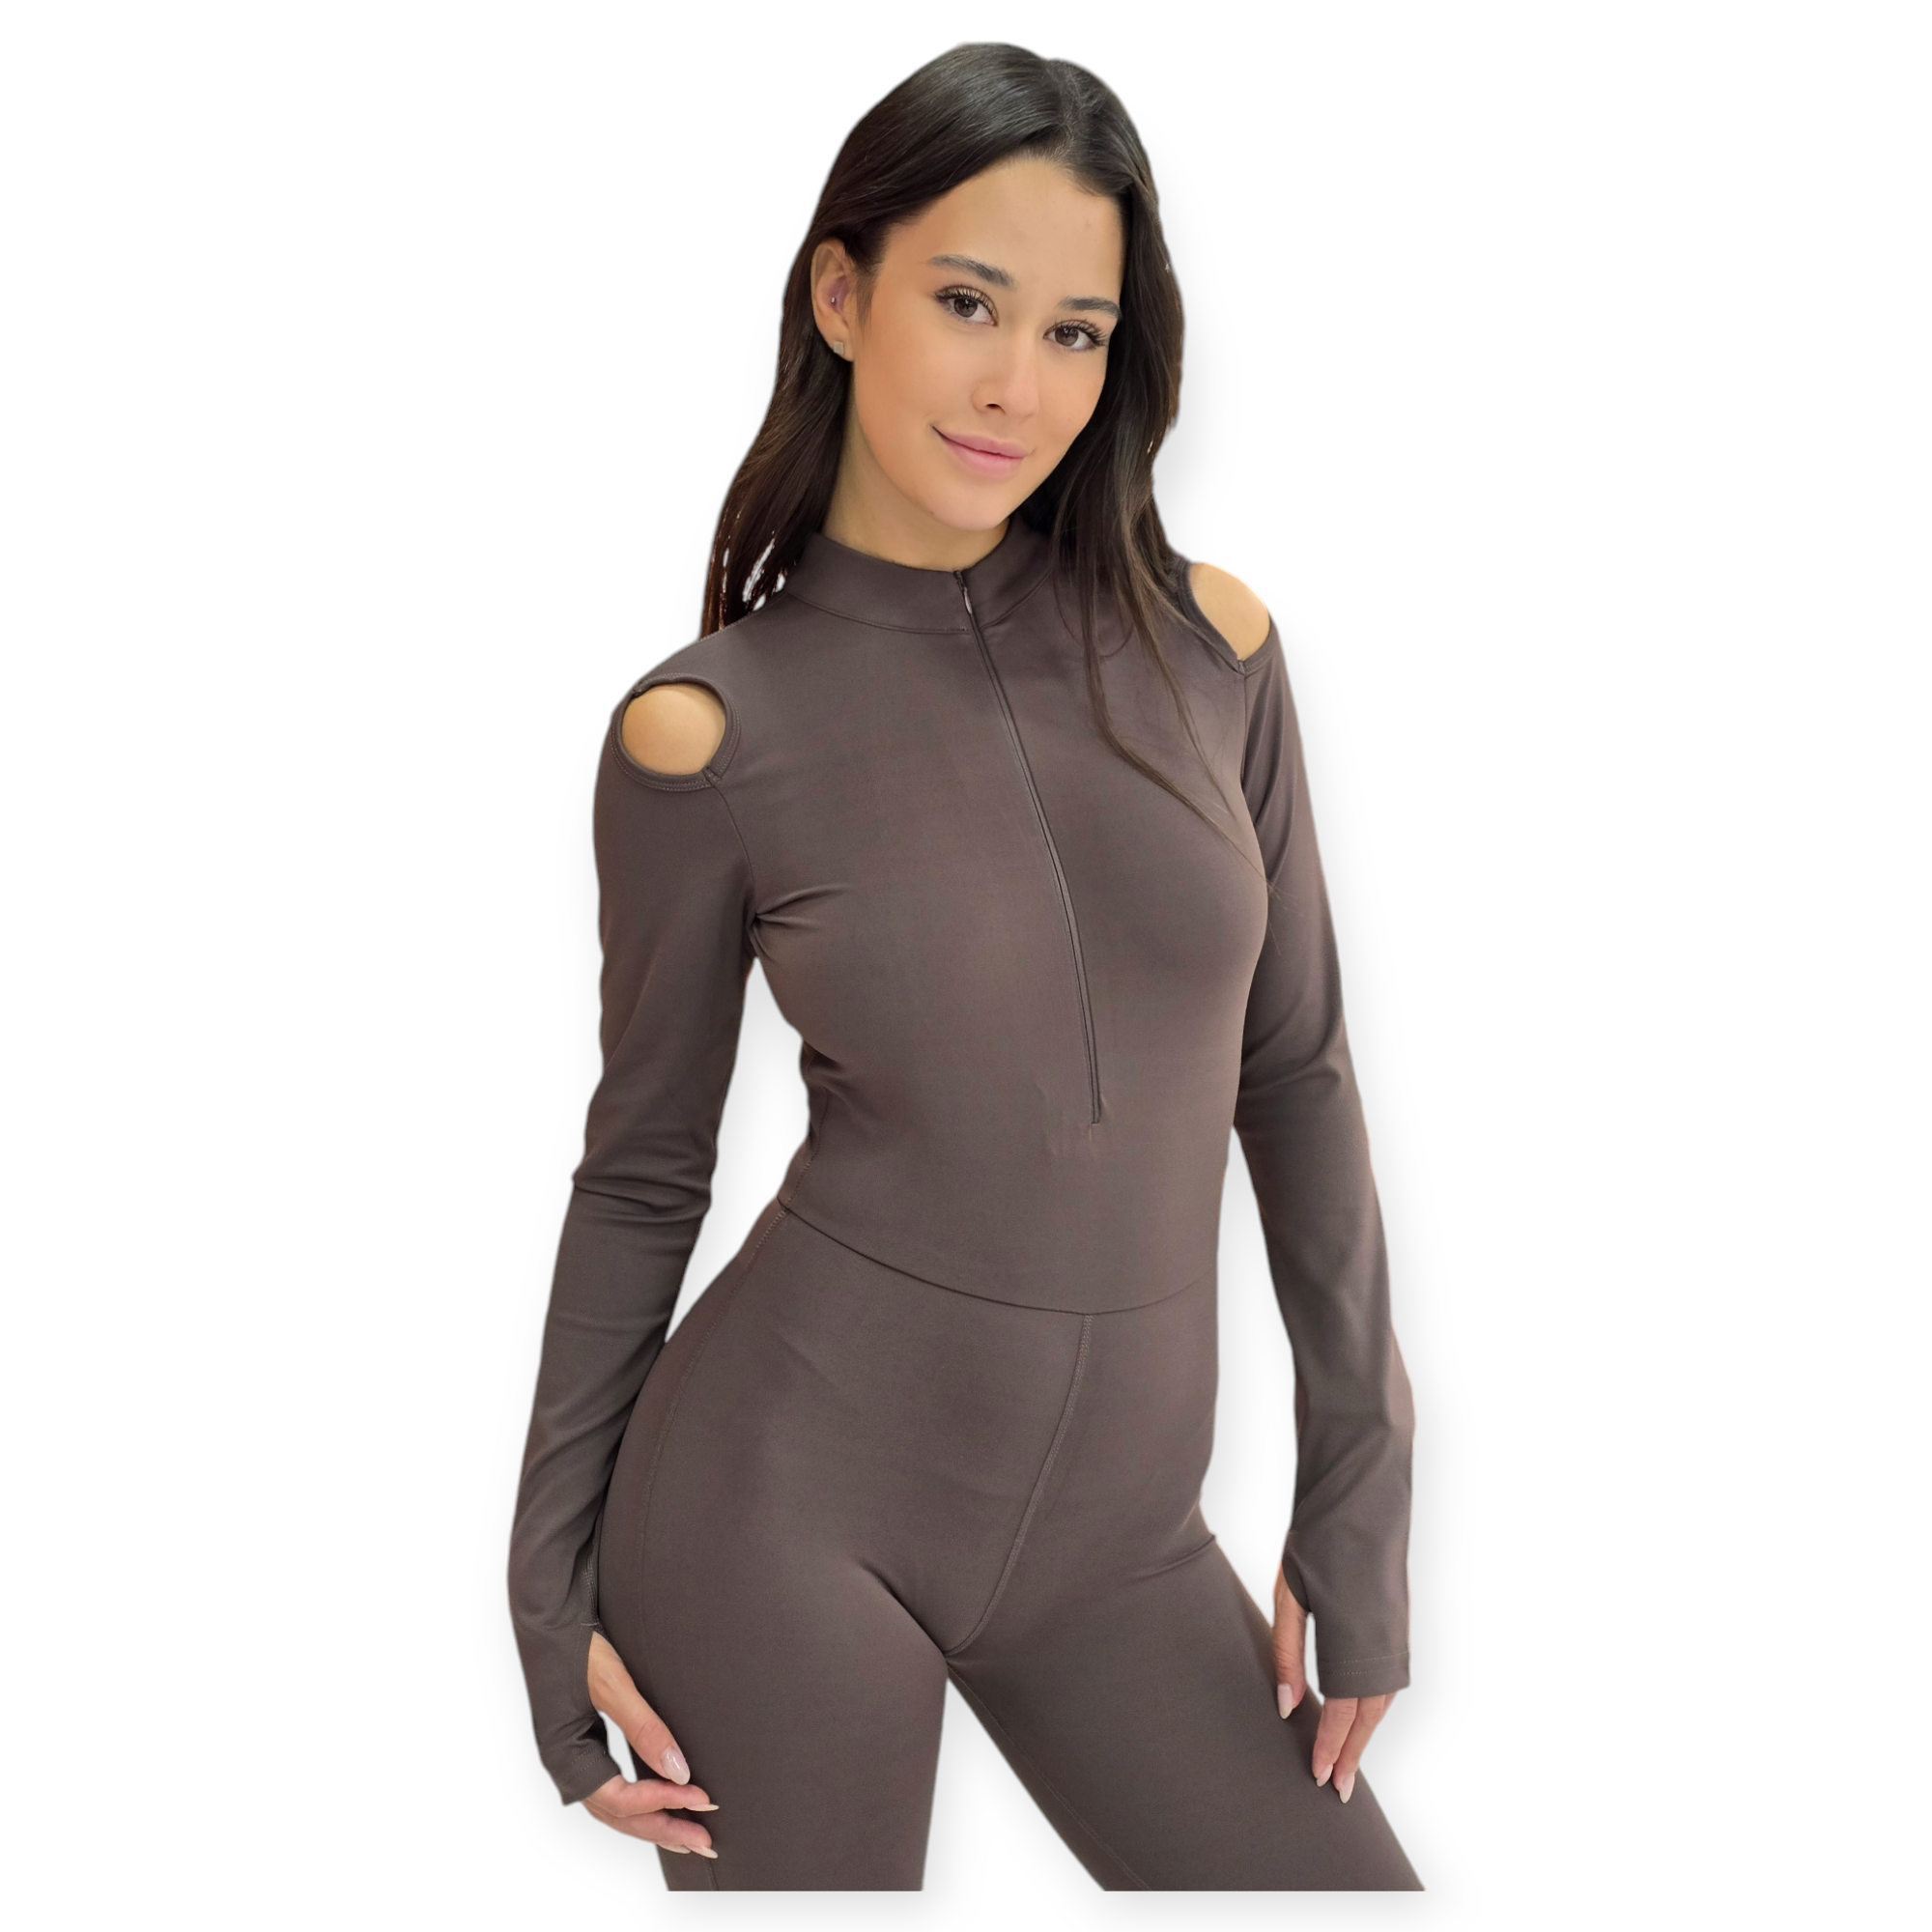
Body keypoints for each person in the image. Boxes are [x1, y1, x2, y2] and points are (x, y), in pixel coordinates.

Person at [506, 42, 1420, 1891]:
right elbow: (644, 1170)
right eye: (968, 304)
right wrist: (546, 1595)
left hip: (1124, 1544)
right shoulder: (704, 736)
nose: (1020, 385)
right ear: (842, 295)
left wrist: (1361, 1481)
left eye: (1077, 332)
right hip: (780, 1515)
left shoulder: (1213, 651)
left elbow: (1297, 1070)